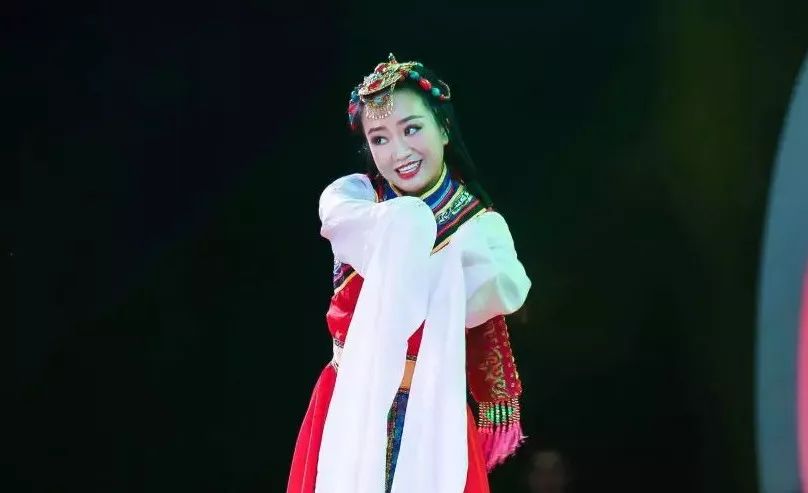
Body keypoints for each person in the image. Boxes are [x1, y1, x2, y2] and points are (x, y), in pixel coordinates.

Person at [286, 53, 532, 493]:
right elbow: (400, 234)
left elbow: (501, 289)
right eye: (379, 139)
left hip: (432, 411)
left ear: (444, 128)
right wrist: (430, 237)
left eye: (411, 129)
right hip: (351, 403)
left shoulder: (482, 230)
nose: (398, 152)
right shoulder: (357, 202)